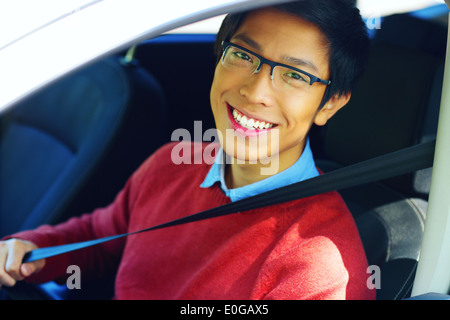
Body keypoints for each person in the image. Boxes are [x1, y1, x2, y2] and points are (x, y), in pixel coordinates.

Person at [0, 0, 374, 299]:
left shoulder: (318, 271)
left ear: (330, 104)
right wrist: (30, 250)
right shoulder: (170, 164)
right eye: (244, 55)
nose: (256, 92)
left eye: (295, 75)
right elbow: (103, 236)